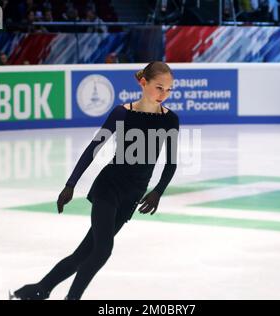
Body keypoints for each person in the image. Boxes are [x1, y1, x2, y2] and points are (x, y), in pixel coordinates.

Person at [12, 61, 180, 300]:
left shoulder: (170, 120)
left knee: (84, 253)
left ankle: (39, 289)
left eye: (169, 89)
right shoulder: (122, 113)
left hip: (133, 195)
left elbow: (171, 162)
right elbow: (94, 148)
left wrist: (158, 191)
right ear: (144, 83)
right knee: (102, 250)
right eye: (159, 87)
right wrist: (71, 184)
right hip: (108, 187)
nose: (164, 94)